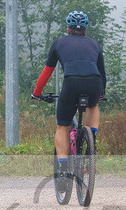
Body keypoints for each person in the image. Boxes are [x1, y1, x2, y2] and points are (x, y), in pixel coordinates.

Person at [31, 11, 106, 192]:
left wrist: (37, 93)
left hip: (71, 83)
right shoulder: (95, 44)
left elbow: (47, 72)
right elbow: (102, 73)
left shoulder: (59, 43)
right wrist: (101, 93)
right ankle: (91, 141)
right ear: (85, 29)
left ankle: (63, 171)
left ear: (68, 28)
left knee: (62, 127)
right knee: (93, 105)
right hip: (94, 82)